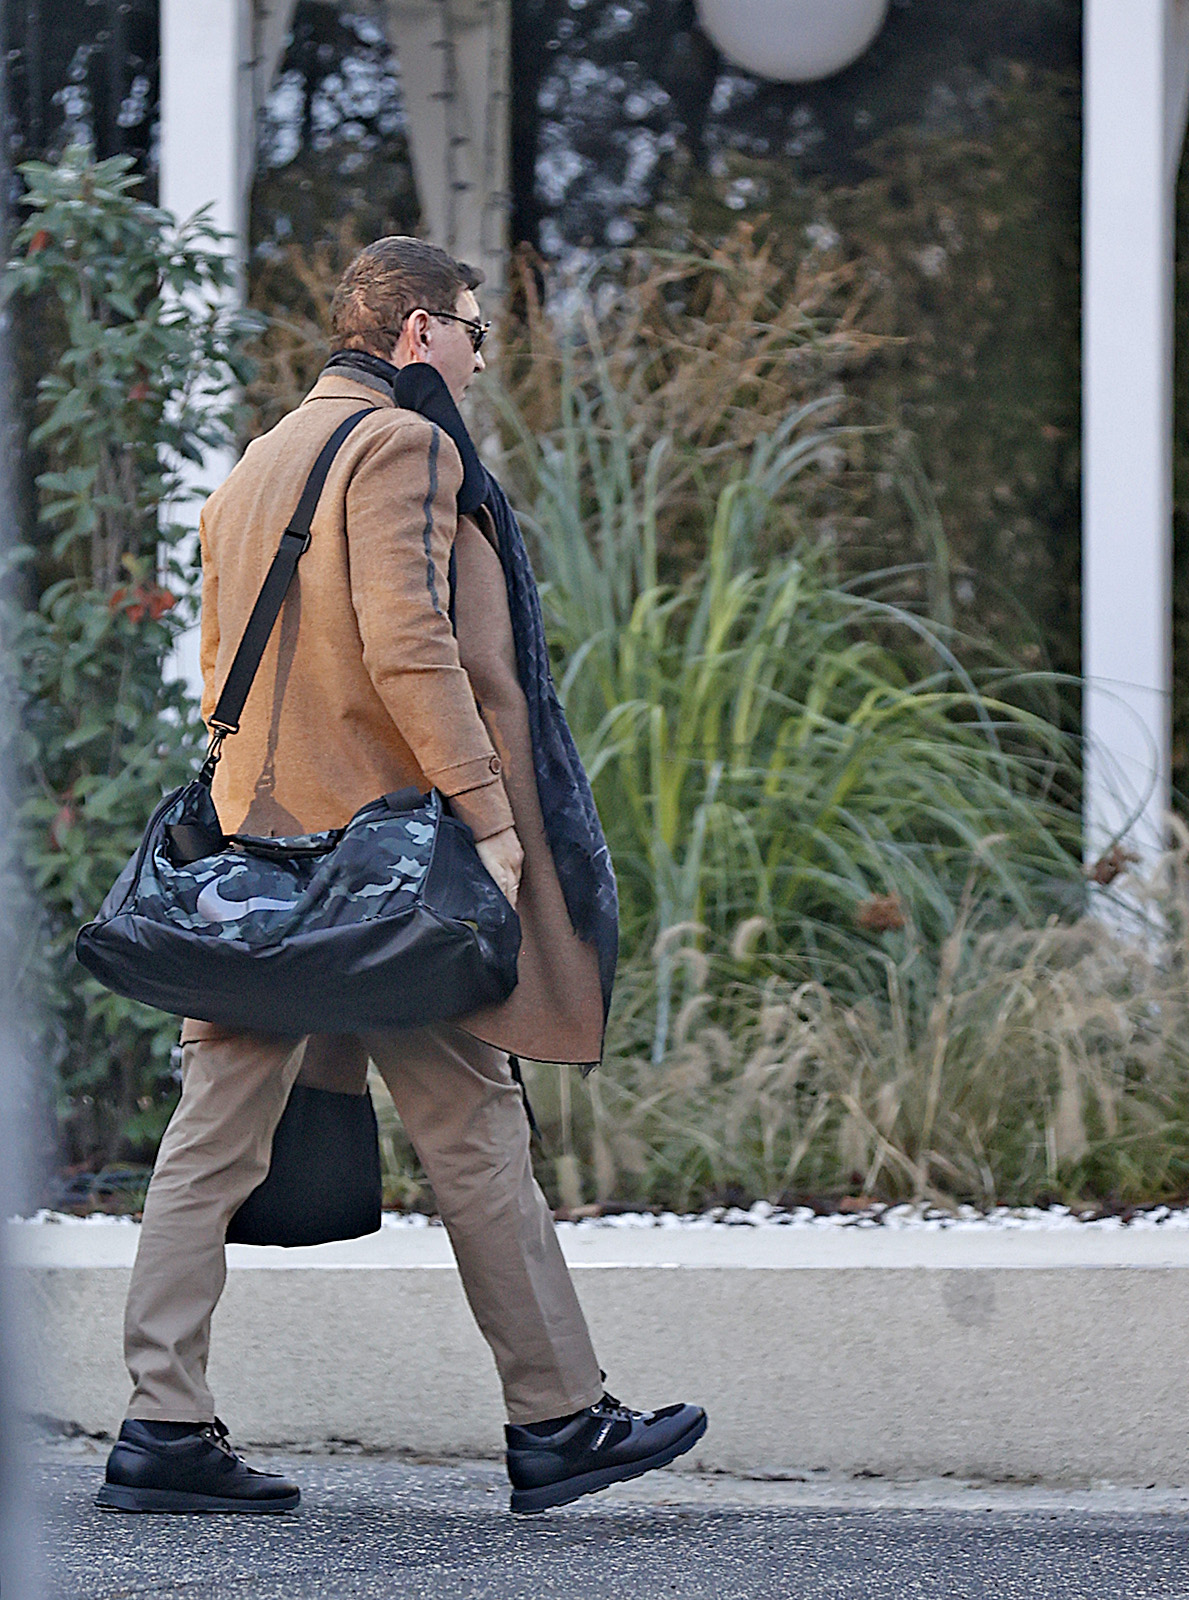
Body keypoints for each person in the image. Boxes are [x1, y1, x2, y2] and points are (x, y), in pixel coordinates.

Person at [95, 237, 705, 1517]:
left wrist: (261, 818)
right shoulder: (402, 446)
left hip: (257, 865)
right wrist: (488, 816)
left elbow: (221, 667)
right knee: (475, 1126)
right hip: (377, 873)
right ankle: (557, 1415)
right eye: (477, 332)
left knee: (207, 1143)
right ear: (419, 330)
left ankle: (161, 1424)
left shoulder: (259, 461)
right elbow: (412, 644)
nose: (481, 359)